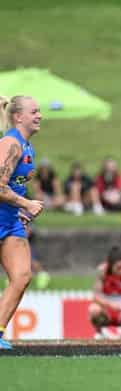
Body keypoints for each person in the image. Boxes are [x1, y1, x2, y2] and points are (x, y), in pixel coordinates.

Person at [0, 95, 45, 350]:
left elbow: (13, 187)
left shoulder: (28, 148)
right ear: (18, 117)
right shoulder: (10, 144)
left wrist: (21, 210)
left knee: (22, 276)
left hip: (10, 221)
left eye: (39, 111)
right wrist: (26, 204)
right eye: (34, 112)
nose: (39, 116)